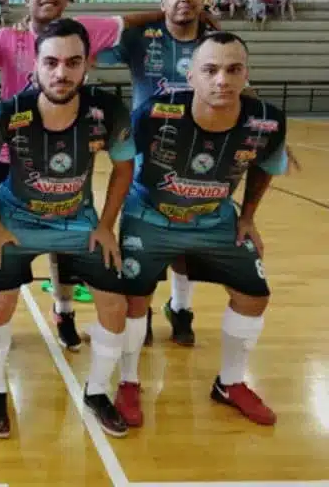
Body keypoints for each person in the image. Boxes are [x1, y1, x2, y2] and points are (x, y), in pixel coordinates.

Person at [0, 0, 184, 352]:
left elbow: (128, 20)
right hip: (10, 156)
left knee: (66, 236)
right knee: (3, 243)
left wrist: (172, 11)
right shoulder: (6, 37)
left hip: (66, 151)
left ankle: (63, 311)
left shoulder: (87, 30)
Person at [111, 31, 285, 429]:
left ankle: (230, 382)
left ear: (246, 74)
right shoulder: (155, 113)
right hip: (150, 215)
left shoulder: (268, 120)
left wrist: (248, 217)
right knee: (134, 300)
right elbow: (121, 164)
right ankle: (128, 381)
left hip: (214, 218)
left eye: (233, 69)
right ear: (190, 76)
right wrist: (109, 224)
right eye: (210, 70)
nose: (222, 79)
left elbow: (265, 167)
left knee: (254, 296)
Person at [0, 18, 135, 438]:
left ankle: (97, 391)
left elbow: (124, 167)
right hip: (17, 219)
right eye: (51, 62)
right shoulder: (7, 113)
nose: (61, 72)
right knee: (1, 304)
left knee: (115, 306)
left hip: (78, 220)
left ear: (88, 64)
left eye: (72, 62)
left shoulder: (108, 111)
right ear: (35, 65)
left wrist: (106, 226)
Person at [97, 0, 215, 346]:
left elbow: (239, 87)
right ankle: (141, 307)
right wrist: (150, 16)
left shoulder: (215, 42)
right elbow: (92, 43)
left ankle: (180, 308)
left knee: (188, 238)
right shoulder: (141, 38)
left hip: (199, 154)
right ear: (163, 1)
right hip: (146, 153)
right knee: (141, 237)